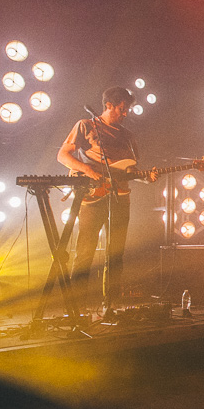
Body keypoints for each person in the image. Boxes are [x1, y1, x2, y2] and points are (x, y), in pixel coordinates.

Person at [57, 86, 154, 321]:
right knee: (85, 252)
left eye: (127, 109)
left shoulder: (128, 136)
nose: (125, 114)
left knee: (116, 254)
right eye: (122, 109)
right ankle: (76, 308)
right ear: (108, 105)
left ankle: (110, 305)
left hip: (120, 197)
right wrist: (88, 170)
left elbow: (131, 170)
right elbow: (63, 155)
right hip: (93, 196)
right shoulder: (86, 125)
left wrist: (146, 177)